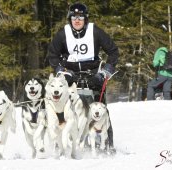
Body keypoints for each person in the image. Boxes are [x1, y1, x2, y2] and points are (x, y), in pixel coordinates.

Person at [47, 2, 118, 154]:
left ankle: (108, 145)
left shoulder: (95, 32)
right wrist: (60, 70)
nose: (77, 20)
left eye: (80, 17)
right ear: (70, 19)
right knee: (65, 108)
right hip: (70, 74)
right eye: (74, 17)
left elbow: (113, 51)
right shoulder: (63, 34)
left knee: (99, 107)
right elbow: (52, 54)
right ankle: (61, 144)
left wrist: (105, 72)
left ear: (85, 19)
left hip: (93, 73)